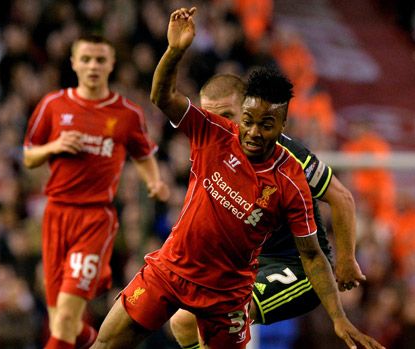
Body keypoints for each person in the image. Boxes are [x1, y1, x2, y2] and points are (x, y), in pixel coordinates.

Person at [92, 7, 384, 349]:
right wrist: (174, 50)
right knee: (172, 324)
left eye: (232, 115)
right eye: (221, 117)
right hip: (182, 267)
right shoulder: (211, 133)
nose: (231, 125)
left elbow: (339, 204)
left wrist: (346, 266)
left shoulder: (290, 167)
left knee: (202, 315)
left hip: (279, 269)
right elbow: (162, 98)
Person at [169, 73, 370, 349]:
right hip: (250, 264)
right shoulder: (213, 147)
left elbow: (342, 197)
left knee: (220, 317)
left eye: (229, 114)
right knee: (181, 323)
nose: (221, 124)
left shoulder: (286, 153)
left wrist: (347, 259)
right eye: (212, 116)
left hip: (299, 267)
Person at [22, 33, 169, 349]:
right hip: (55, 214)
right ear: (73, 62)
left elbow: (143, 153)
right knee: (66, 323)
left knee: (63, 322)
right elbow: (29, 156)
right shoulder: (53, 105)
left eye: (100, 59)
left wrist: (153, 181)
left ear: (111, 64)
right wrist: (55, 146)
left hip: (94, 219)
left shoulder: (126, 114)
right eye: (86, 59)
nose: (93, 66)